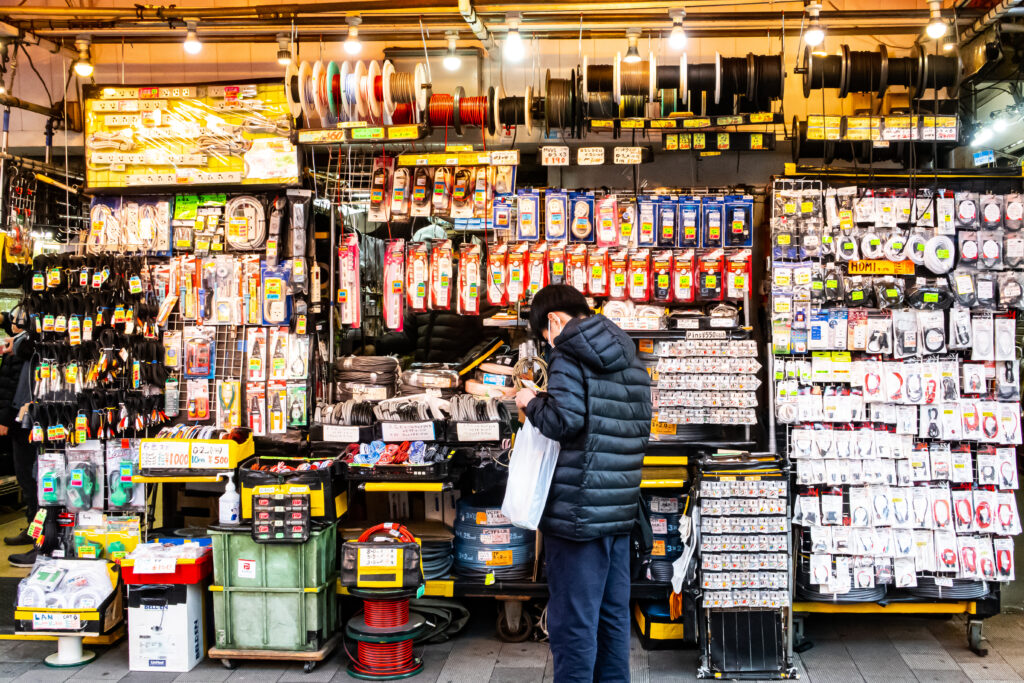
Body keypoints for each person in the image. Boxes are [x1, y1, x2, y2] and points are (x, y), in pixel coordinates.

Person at [515, 285, 651, 683]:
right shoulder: (629, 355)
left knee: (573, 623)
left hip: (578, 515)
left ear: (554, 321)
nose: (548, 342)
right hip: (619, 510)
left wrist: (530, 402)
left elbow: (565, 421)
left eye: (545, 334)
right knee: (612, 619)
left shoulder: (568, 353)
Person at [0, 310, 36, 566]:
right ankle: (33, 528)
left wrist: (4, 419)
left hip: (21, 420)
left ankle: (36, 533)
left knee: (28, 476)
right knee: (27, 477)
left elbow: (9, 387)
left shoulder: (23, 346)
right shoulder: (22, 342)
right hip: (20, 418)